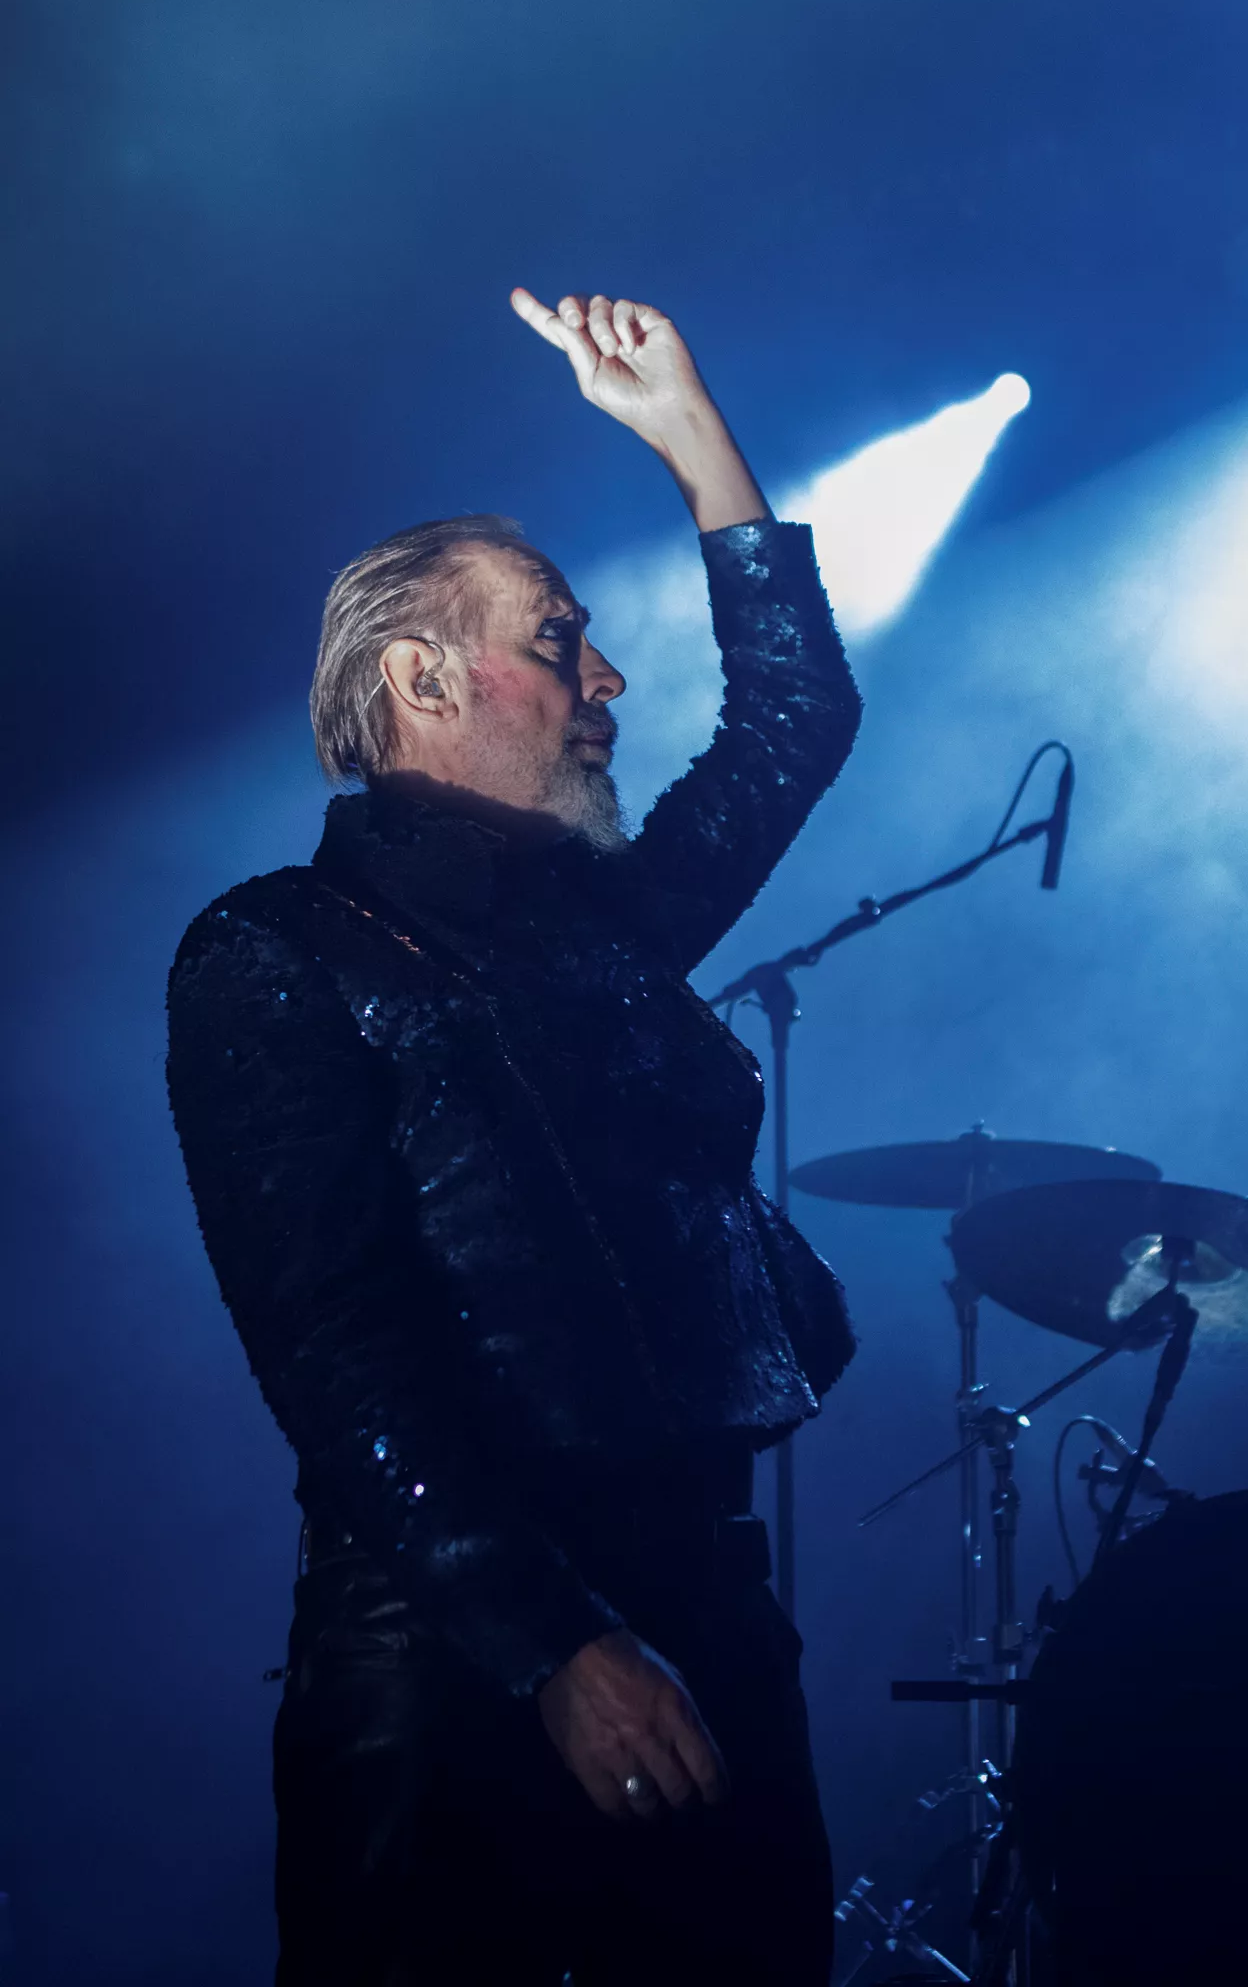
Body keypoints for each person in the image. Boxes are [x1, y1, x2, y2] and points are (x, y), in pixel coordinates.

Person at [166, 287, 863, 1985]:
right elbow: (333, 1343)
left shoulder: (601, 930)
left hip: (700, 1599)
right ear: (419, 675)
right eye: (557, 639)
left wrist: (691, 438)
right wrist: (553, 1645)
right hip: (457, 1655)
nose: (605, 677)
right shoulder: (278, 951)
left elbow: (794, 723)